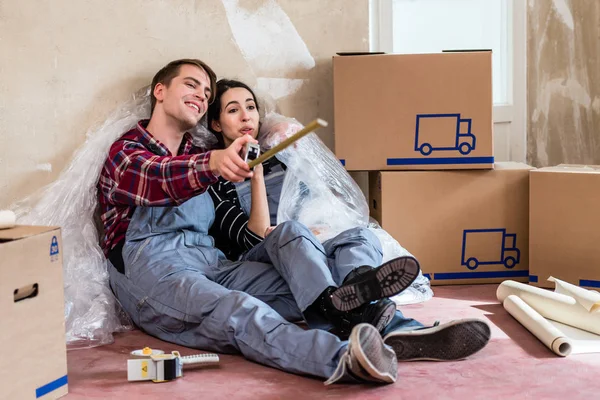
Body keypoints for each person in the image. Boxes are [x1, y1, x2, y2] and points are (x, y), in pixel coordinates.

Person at [97, 59, 490, 386]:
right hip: (152, 269)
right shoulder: (128, 152)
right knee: (239, 311)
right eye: (191, 84)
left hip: (211, 262)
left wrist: (270, 134)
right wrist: (214, 163)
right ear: (160, 91)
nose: (201, 93)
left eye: (206, 90)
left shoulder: (199, 150)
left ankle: (389, 323)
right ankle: (343, 359)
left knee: (312, 284)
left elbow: (232, 147)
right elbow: (152, 177)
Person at [205, 77, 492, 357]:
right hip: (263, 251)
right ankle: (343, 316)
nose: (246, 116)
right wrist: (254, 174)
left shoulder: (278, 156)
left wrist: (299, 153)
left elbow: (320, 200)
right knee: (290, 230)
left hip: (307, 243)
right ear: (216, 124)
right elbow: (253, 236)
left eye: (251, 107)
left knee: (360, 235)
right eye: (233, 110)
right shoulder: (214, 177)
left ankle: (367, 295)